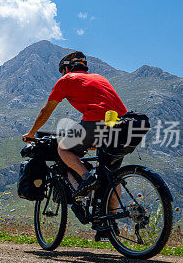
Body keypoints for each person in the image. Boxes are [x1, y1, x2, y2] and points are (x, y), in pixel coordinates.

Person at [23, 50, 128, 205]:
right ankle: (107, 225)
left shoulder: (67, 79)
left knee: (63, 149)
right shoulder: (100, 78)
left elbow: (46, 111)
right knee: (111, 177)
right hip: (124, 126)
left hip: (97, 122)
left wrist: (31, 133)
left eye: (62, 72)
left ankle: (88, 178)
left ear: (66, 69)